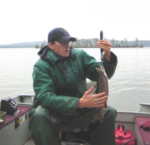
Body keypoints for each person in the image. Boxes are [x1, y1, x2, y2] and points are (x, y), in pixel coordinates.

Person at [29, 27, 118, 145]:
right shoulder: (41, 66)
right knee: (39, 115)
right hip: (54, 112)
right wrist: (79, 102)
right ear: (51, 45)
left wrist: (107, 56)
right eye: (62, 42)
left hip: (79, 111)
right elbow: (45, 97)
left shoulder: (79, 55)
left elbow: (102, 74)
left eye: (68, 42)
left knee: (109, 112)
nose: (67, 46)